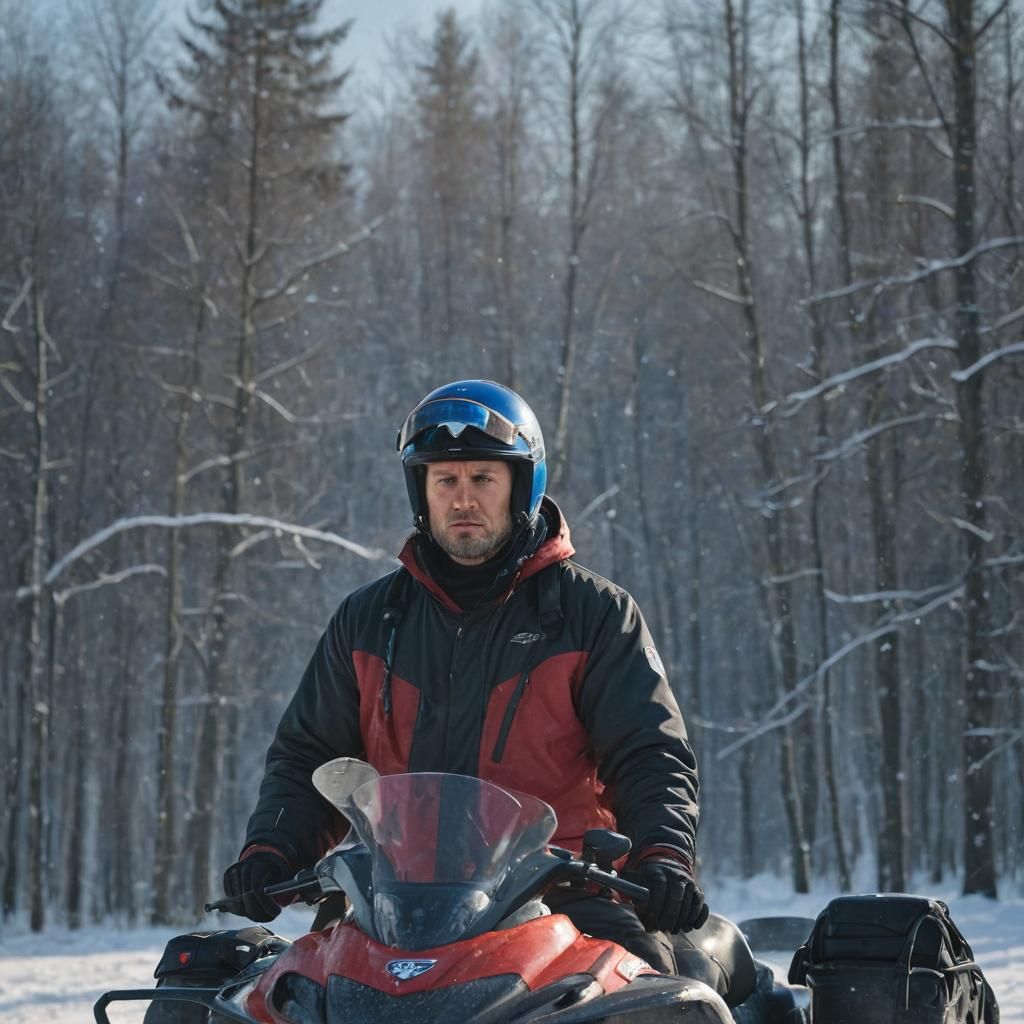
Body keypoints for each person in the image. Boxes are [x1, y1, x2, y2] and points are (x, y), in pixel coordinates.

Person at [223, 379, 706, 973]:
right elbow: (307, 756)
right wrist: (273, 850)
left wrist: (661, 856)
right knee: (271, 995)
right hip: (391, 905)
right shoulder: (369, 621)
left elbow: (649, 753)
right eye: (444, 480)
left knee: (651, 999)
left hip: (561, 898)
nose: (463, 499)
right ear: (421, 493)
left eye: (484, 478)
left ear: (521, 486)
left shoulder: (594, 615)